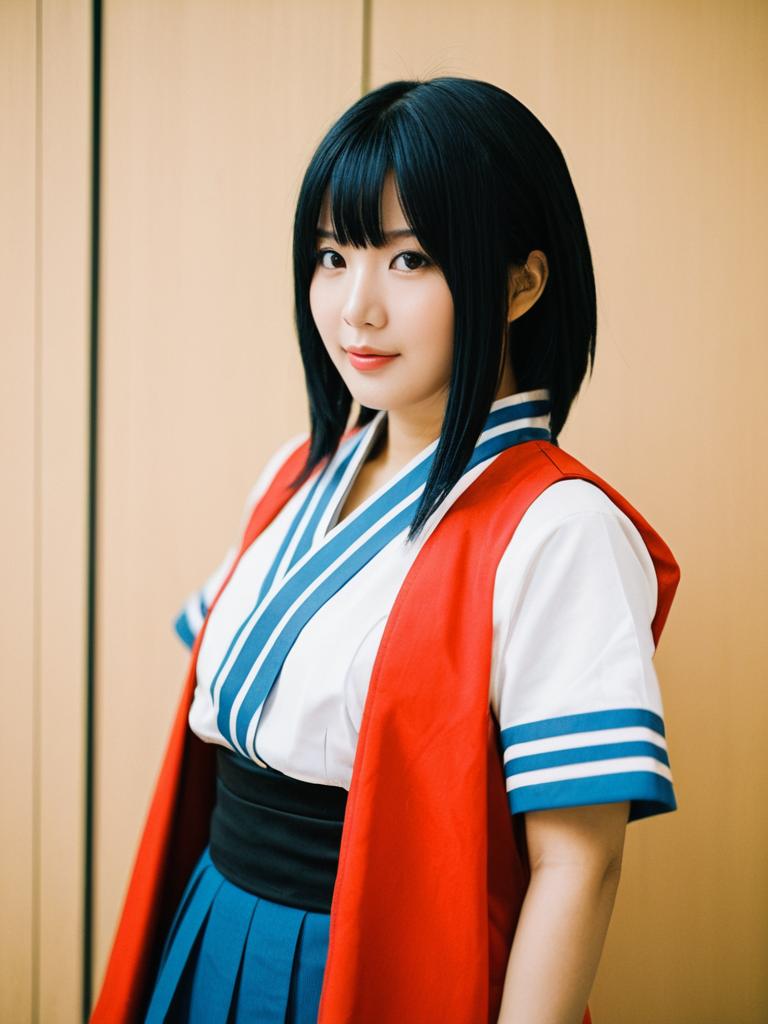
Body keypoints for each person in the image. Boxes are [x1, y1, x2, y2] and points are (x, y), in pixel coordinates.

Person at [91, 77, 680, 1024]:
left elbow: (579, 861)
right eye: (333, 255)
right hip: (215, 917)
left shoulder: (558, 527)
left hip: (385, 955)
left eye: (409, 262)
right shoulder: (295, 474)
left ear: (523, 282)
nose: (356, 308)